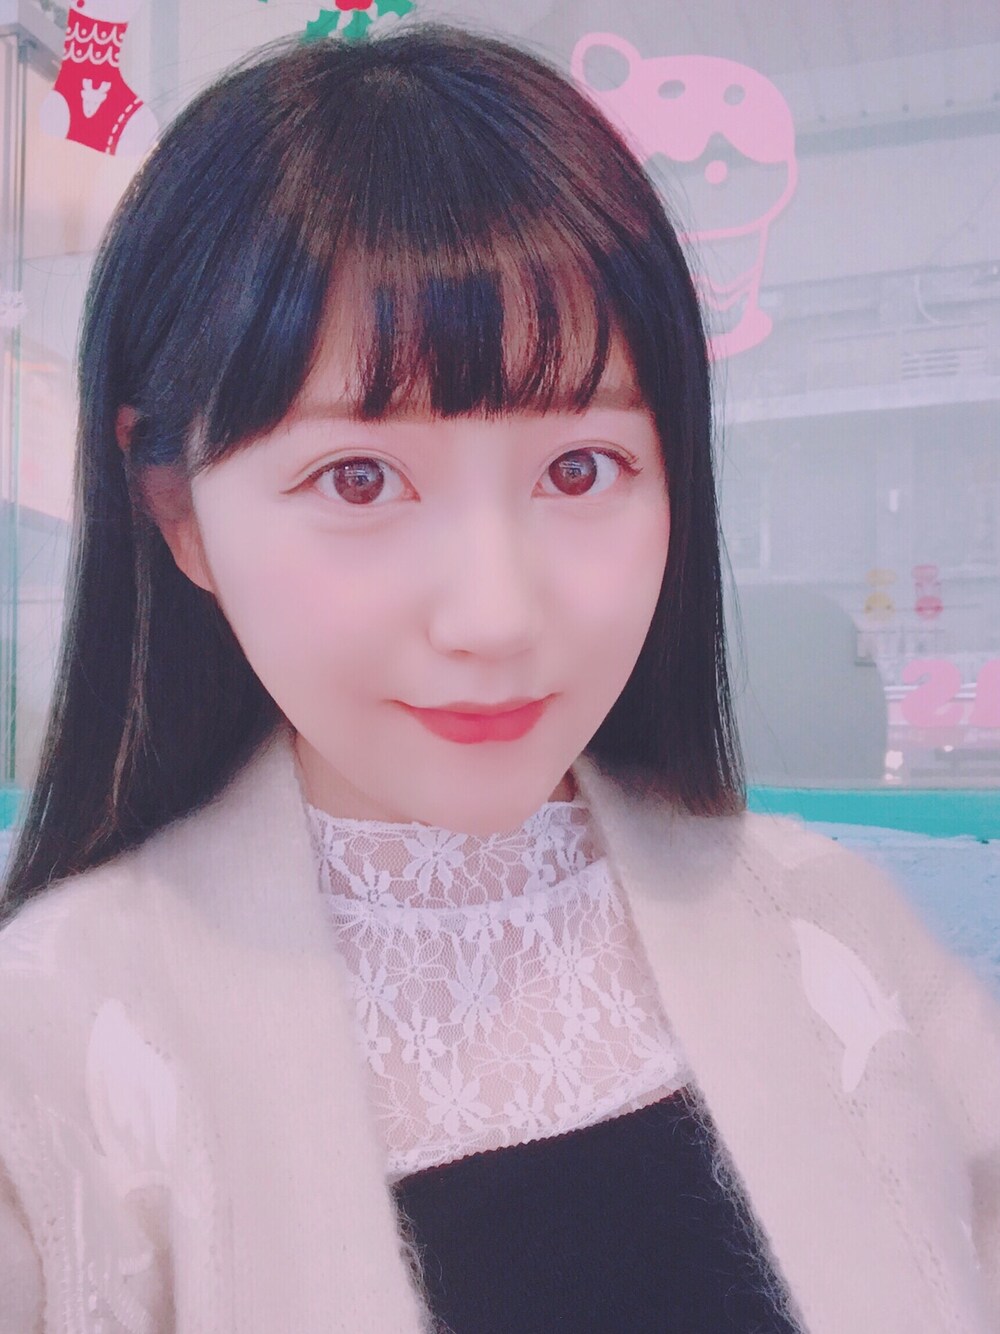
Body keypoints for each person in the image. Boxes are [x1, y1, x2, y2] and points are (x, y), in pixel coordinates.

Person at [1, 21, 998, 1334]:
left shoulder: (838, 939)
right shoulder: (53, 1055)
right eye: (360, 478)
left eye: (581, 468)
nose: (495, 614)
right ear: (176, 508)